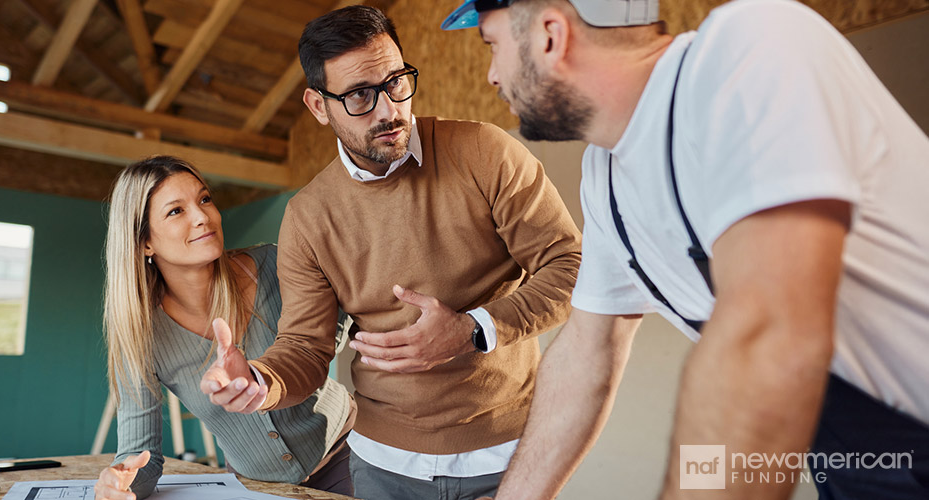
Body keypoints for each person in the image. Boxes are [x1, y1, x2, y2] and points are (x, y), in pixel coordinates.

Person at [441, 0, 929, 498]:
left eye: (492, 46)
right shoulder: (606, 176)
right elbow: (588, 355)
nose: (492, 76)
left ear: (550, 35)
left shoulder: (752, 47)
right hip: (854, 464)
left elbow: (766, 339)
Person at [199, 6, 582, 500]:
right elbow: (305, 348)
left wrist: (473, 329)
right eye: (360, 95)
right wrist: (259, 380)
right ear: (319, 106)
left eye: (396, 82)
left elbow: (570, 266)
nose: (389, 110)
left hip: (507, 454)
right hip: (382, 465)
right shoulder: (309, 216)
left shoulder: (488, 153)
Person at [94, 156, 356, 500]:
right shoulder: (140, 334)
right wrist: (120, 483)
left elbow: (341, 321)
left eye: (204, 199)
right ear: (145, 242)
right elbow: (140, 457)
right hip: (256, 488)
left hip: (350, 454)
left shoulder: (275, 265)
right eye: (176, 211)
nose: (203, 217)